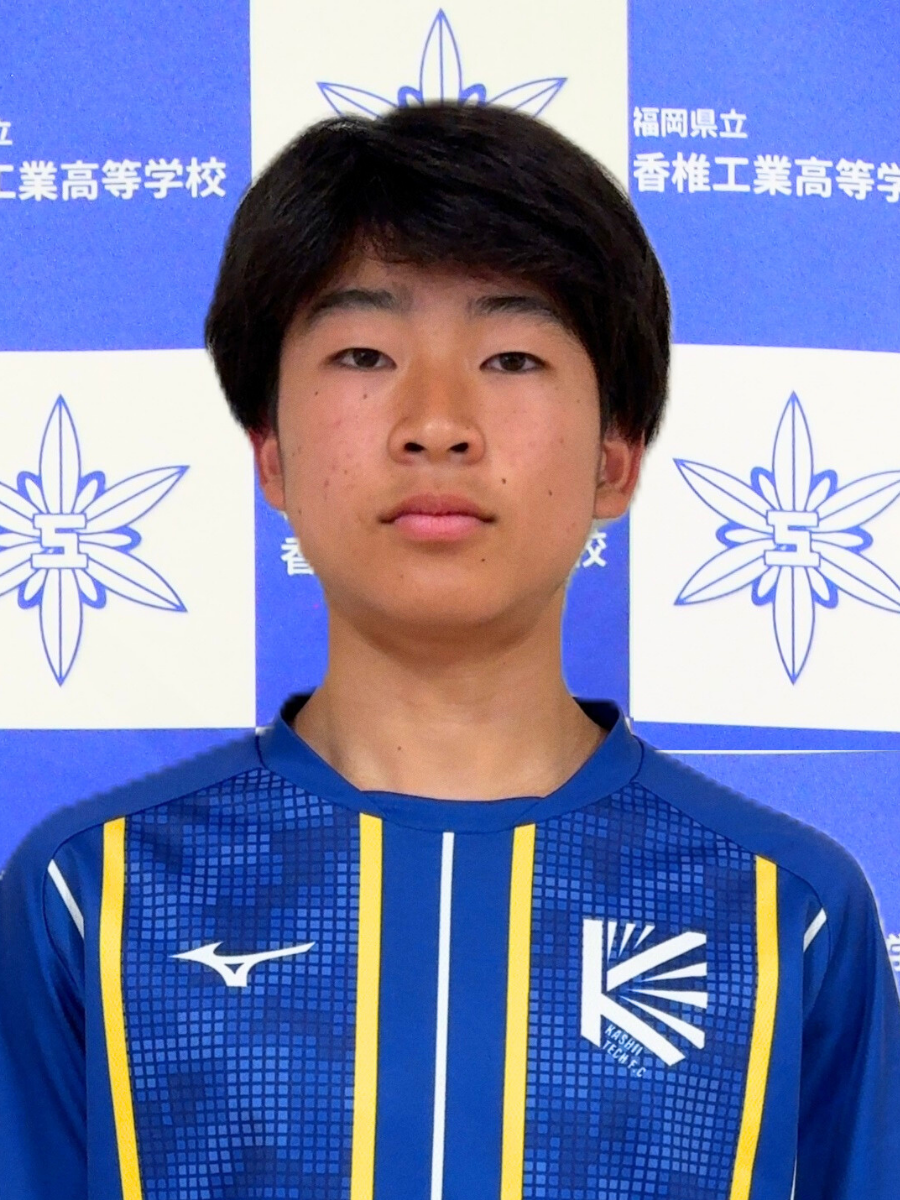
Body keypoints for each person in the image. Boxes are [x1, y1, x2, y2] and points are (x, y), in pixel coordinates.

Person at [1, 102, 898, 1200]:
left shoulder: (787, 912)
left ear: (616, 457)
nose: (436, 422)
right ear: (271, 451)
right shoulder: (92, 897)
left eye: (512, 357)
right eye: (365, 353)